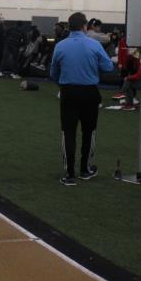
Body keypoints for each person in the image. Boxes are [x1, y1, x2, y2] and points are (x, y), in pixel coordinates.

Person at [49, 11, 114, 185]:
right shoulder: (94, 45)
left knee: (68, 132)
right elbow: (108, 67)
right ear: (85, 26)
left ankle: (69, 174)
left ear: (69, 27)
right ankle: (85, 169)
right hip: (90, 92)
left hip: (68, 92)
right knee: (89, 131)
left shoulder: (60, 46)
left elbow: (53, 72)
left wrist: (63, 84)